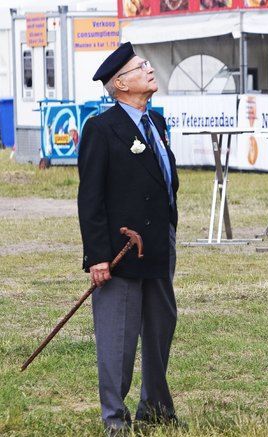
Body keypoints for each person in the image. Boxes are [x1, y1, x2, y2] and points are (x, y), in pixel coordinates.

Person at [77, 42, 180, 436]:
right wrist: (97, 257)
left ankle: (155, 409)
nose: (150, 69)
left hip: (158, 247)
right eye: (142, 67)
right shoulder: (101, 130)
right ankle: (115, 420)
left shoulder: (157, 124)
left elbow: (165, 183)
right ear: (121, 84)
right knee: (117, 340)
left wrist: (168, 231)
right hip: (120, 253)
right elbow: (91, 199)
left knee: (159, 330)